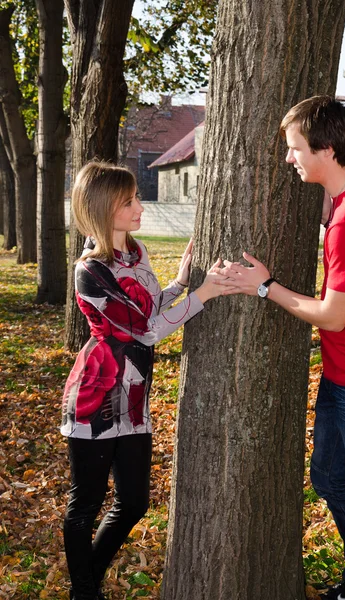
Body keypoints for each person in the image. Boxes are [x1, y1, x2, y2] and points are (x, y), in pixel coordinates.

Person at [219, 96, 345, 600]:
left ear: (325, 148)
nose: (289, 158)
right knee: (331, 480)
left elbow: (332, 314)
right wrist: (328, 210)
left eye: (295, 148)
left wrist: (263, 285)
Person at [61, 161, 232, 600]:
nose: (140, 206)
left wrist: (180, 282)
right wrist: (206, 292)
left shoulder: (136, 253)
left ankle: (86, 582)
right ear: (103, 209)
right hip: (95, 398)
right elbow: (149, 331)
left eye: (137, 197)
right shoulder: (90, 271)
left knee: (134, 502)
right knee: (85, 504)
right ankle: (84, 591)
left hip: (133, 396)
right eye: (130, 200)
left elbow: (150, 308)